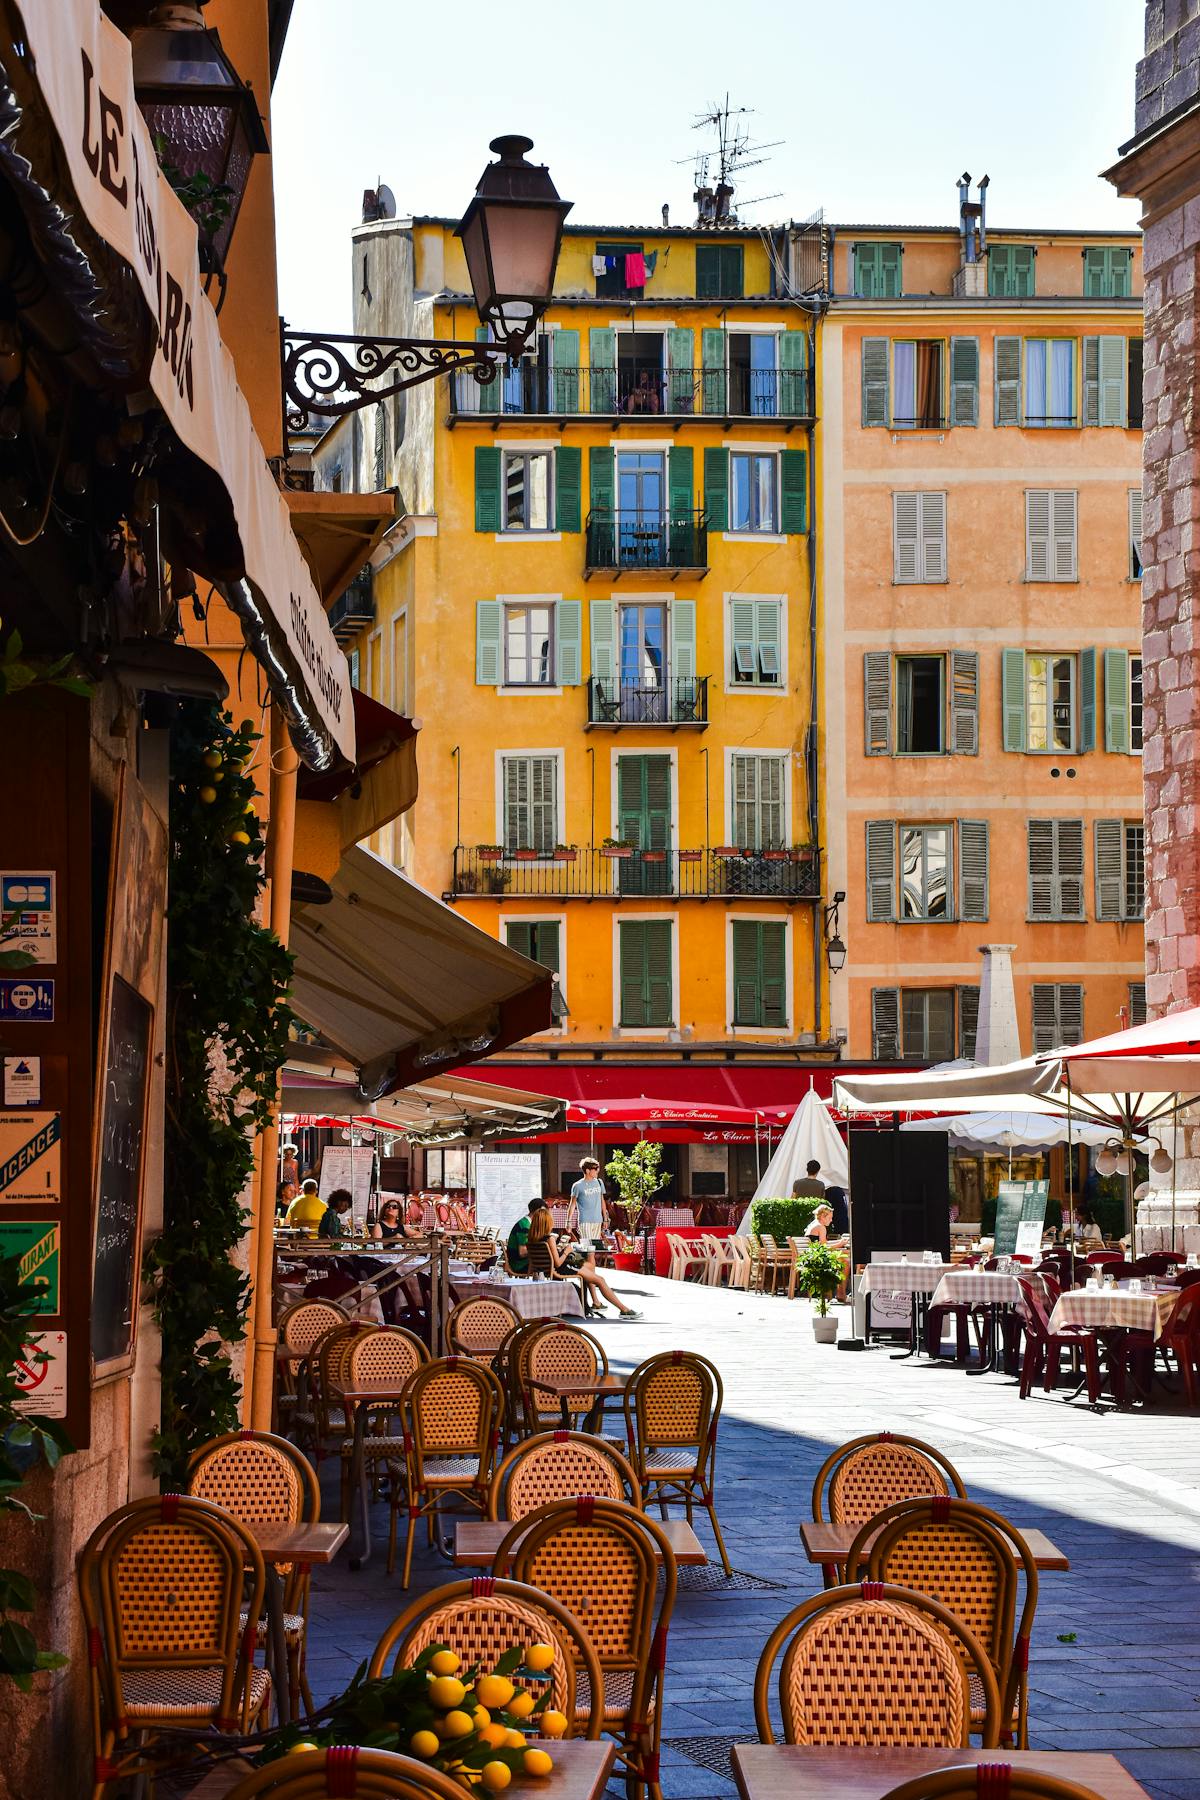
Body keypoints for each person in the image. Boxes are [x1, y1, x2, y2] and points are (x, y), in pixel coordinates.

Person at [525, 1209, 641, 1319]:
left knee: (590, 1266)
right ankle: (624, 1310)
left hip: (550, 1269)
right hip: (562, 1267)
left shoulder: (532, 1239)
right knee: (600, 1280)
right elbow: (558, 1263)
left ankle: (596, 1302)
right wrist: (567, 1251)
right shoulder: (549, 1239)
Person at [569, 1158, 610, 1244]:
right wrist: (568, 1221)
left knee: (593, 1249)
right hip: (585, 1221)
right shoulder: (577, 1186)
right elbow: (572, 1205)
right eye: (595, 1169)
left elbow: (602, 1201)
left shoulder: (599, 1182)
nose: (597, 1171)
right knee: (588, 1249)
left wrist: (605, 1218)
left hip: (598, 1220)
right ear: (587, 1170)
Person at [507, 1196, 548, 1274]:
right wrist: (541, 1250)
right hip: (519, 1265)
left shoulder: (526, 1223)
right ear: (538, 1211)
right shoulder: (525, 1226)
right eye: (543, 1212)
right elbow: (522, 1253)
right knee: (550, 1265)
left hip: (521, 1263)